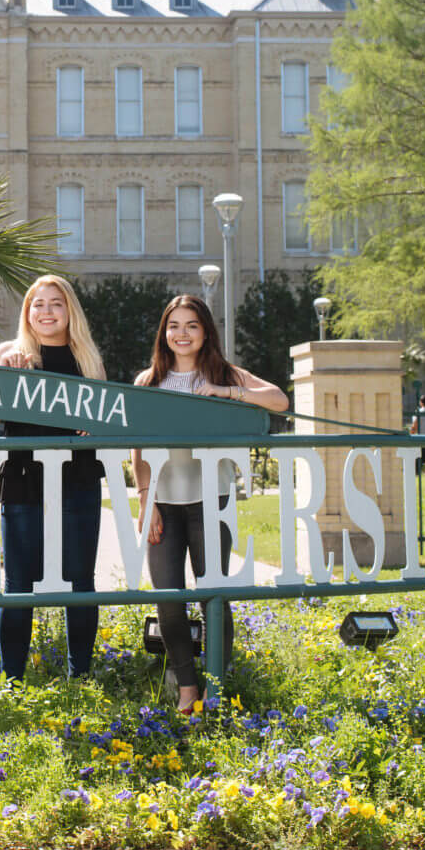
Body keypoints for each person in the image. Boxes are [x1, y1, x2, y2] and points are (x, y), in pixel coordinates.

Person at [132, 294, 288, 712]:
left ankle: (215, 687)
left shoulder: (222, 372)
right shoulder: (148, 381)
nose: (181, 334)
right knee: (167, 596)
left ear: (205, 332)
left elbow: (278, 400)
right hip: (163, 502)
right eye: (174, 326)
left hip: (210, 501)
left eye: (191, 326)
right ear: (164, 333)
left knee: (213, 595)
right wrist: (147, 502)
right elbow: (138, 451)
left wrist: (225, 391)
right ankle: (186, 686)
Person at [0, 275, 107, 681]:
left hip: (78, 478)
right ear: (27, 312)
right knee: (18, 583)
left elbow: (103, 422)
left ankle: (79, 676)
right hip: (23, 479)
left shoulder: (87, 359)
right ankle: (11, 680)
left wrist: (92, 425)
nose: (46, 312)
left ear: (70, 313)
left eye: (56, 304)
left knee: (81, 579)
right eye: (37, 304)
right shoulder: (8, 354)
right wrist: (4, 379)